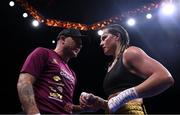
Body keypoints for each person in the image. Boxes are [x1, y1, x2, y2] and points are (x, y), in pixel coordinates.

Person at [79, 24, 174, 114]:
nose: (101, 43)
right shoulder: (110, 65)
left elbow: (165, 77)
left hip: (131, 111)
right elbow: (115, 103)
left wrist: (125, 95)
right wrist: (100, 102)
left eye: (104, 38)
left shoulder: (130, 53)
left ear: (117, 36)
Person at [17, 28, 92, 114]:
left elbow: (67, 105)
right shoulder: (43, 53)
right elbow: (24, 82)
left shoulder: (72, 74)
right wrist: (33, 112)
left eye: (81, 44)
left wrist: (85, 109)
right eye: (77, 41)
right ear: (63, 39)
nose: (80, 45)